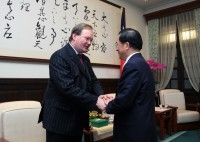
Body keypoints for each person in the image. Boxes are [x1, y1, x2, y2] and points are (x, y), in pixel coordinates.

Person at [38, 23, 106, 142]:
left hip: (76, 119)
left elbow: (93, 81)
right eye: (87, 38)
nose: (89, 43)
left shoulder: (85, 59)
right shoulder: (59, 56)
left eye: (91, 40)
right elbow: (67, 88)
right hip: (60, 120)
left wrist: (100, 95)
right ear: (74, 36)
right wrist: (95, 100)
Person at [104, 28, 158, 142]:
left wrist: (105, 106)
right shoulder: (141, 63)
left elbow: (124, 101)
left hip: (133, 130)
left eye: (118, 44)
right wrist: (116, 97)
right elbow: (135, 94)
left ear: (127, 45)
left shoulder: (133, 65)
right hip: (143, 126)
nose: (116, 48)